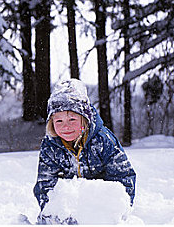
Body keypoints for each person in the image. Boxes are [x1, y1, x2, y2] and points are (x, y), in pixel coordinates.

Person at [33, 79, 136, 224]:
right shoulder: (50, 146)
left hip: (100, 207)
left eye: (72, 119)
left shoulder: (103, 140)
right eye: (59, 121)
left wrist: (116, 210)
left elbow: (123, 176)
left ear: (84, 119)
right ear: (51, 123)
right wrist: (54, 211)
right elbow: (45, 183)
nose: (66, 127)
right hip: (67, 207)